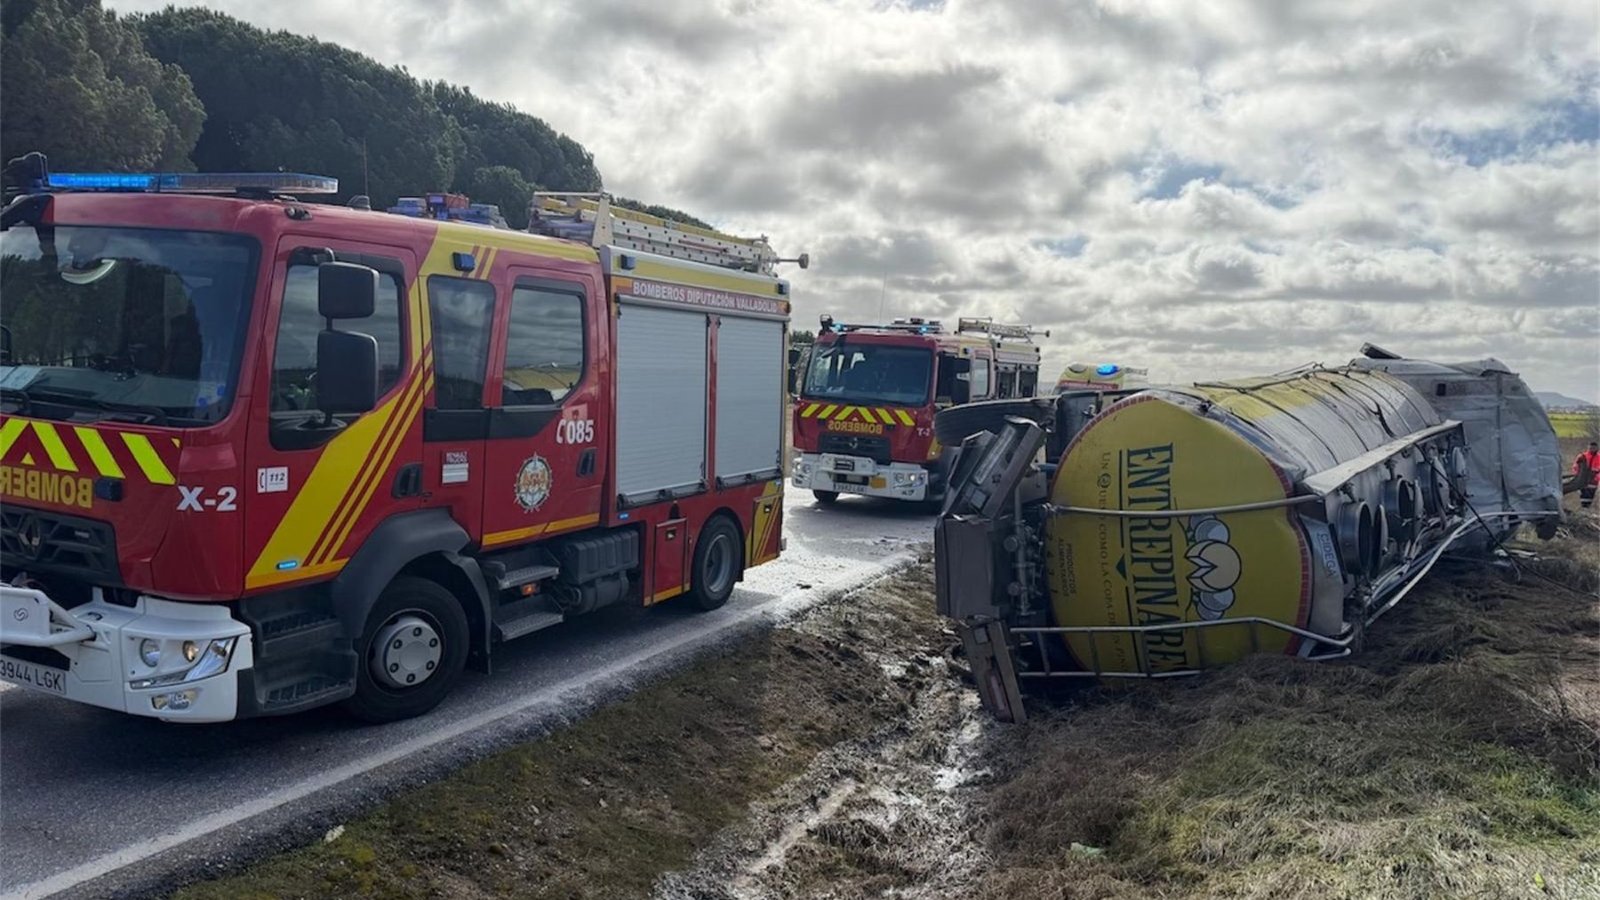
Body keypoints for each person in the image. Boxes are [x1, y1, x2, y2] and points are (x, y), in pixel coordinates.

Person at [1574, 441, 1600, 509]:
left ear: (1597, 448)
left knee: (1590, 496)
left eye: (1594, 448)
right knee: (1583, 495)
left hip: (1593, 480)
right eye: (1591, 448)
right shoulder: (1582, 456)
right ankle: (1583, 508)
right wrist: (1578, 475)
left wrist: (1597, 477)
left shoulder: (1599, 457)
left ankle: (1587, 508)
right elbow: (1576, 466)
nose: (1592, 449)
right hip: (1583, 479)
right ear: (1588, 447)